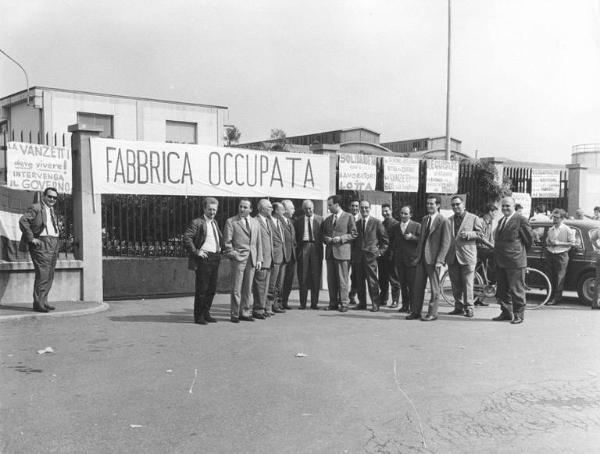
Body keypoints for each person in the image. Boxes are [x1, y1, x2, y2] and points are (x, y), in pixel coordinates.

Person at [407, 195, 451, 321]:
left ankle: (432, 313)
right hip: (422, 258)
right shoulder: (425, 219)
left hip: (434, 259)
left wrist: (440, 260)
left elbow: (446, 242)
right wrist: (417, 256)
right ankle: (416, 311)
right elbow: (421, 239)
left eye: (432, 204)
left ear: (438, 205)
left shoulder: (443, 221)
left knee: (434, 288)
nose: (429, 206)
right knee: (418, 286)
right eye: (428, 204)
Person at [19, 187, 61, 313]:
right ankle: (38, 303)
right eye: (50, 196)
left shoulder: (52, 210)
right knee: (43, 273)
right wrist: (31, 238)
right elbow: (23, 221)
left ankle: (44, 301)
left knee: (49, 273)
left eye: (54, 197)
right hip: (42, 243)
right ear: (44, 196)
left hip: (54, 243)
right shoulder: (36, 207)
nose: (52, 199)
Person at [183, 197, 223, 325]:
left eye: (214, 210)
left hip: (215, 258)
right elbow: (187, 238)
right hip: (204, 259)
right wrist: (196, 252)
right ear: (204, 209)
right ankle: (199, 316)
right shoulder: (197, 222)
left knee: (212, 289)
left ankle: (206, 313)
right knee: (202, 289)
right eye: (210, 209)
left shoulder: (214, 222)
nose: (212, 212)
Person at [493, 196, 533, 324]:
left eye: (508, 206)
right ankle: (506, 312)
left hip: (515, 261)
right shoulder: (501, 221)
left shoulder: (521, 220)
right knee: (503, 290)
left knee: (517, 290)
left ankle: (519, 315)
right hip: (501, 261)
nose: (505, 208)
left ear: (514, 206)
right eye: (503, 206)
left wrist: (519, 254)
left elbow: (528, 240)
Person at [223, 199, 263, 323]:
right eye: (240, 206)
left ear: (251, 209)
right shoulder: (231, 221)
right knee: (236, 287)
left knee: (248, 287)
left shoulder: (255, 222)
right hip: (238, 258)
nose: (242, 209)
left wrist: (259, 259)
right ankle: (235, 314)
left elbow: (258, 242)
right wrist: (232, 253)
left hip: (252, 258)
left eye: (245, 207)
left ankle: (245, 312)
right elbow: (227, 241)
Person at [445, 195, 484, 318]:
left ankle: (469, 308)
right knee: (455, 284)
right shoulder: (449, 220)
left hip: (467, 256)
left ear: (464, 205)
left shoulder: (473, 218)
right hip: (452, 256)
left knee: (467, 284)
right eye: (453, 205)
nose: (455, 206)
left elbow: (481, 234)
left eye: (458, 204)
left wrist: (469, 234)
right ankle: (458, 307)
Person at [322, 195, 357, 312]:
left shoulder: (349, 217)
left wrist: (341, 238)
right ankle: (333, 303)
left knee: (343, 279)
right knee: (331, 280)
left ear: (337, 205)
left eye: (330, 205)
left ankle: (344, 303)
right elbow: (323, 234)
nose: (328, 208)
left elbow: (353, 234)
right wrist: (326, 239)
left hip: (342, 253)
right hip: (330, 253)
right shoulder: (327, 220)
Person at [352, 200, 389, 312]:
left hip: (371, 257)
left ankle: (375, 304)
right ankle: (362, 303)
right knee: (359, 281)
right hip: (358, 257)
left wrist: (380, 252)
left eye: (366, 208)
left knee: (372, 281)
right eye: (362, 208)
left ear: (370, 208)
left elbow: (385, 240)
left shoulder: (376, 222)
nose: (364, 210)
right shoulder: (357, 223)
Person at [390, 205, 421, 313]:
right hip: (400, 260)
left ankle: (413, 307)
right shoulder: (396, 226)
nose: (403, 215)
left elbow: (422, 241)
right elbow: (392, 241)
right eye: (401, 213)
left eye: (405, 213)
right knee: (402, 284)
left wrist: (412, 238)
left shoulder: (417, 226)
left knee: (412, 285)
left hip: (412, 260)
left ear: (410, 215)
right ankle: (405, 305)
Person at [544, 208, 576, 306]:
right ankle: (549, 296)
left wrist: (559, 243)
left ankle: (556, 298)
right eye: (553, 217)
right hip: (551, 253)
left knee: (559, 277)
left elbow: (573, 243)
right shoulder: (551, 229)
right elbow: (548, 240)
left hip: (561, 254)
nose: (554, 219)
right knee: (550, 275)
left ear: (562, 219)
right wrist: (548, 242)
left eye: (557, 218)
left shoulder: (567, 229)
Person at [295, 199, 323, 310]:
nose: (308, 210)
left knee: (315, 276)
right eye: (306, 208)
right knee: (303, 276)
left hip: (316, 248)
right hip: (304, 247)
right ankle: (303, 303)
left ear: (313, 208)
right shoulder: (298, 220)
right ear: (303, 209)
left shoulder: (320, 219)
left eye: (310, 208)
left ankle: (314, 303)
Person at [252, 199, 274, 319]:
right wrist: (258, 258)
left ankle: (263, 307)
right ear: (261, 208)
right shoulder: (255, 221)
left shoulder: (267, 221)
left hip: (269, 259)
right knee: (259, 285)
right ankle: (258, 309)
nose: (271, 209)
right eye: (269, 207)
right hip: (261, 259)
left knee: (265, 286)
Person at [267, 202, 289, 314]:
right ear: (276, 210)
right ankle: (268, 306)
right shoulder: (268, 221)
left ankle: (276, 304)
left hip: (283, 256)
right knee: (272, 282)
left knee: (279, 284)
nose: (284, 212)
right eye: (282, 210)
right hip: (274, 257)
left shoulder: (280, 222)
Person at [474, 203, 498, 306]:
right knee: (497, 254)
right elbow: (481, 238)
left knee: (481, 275)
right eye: (495, 213)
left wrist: (494, 245)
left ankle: (478, 299)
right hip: (480, 249)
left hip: (486, 249)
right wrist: (492, 246)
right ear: (490, 212)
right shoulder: (480, 221)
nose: (495, 215)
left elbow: (491, 236)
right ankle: (494, 280)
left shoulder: (490, 222)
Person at [379, 203, 400, 307]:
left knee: (394, 279)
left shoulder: (396, 224)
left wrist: (393, 254)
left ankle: (395, 300)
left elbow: (397, 241)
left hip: (392, 256)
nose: (385, 213)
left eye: (387, 211)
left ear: (391, 211)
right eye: (383, 211)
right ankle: (383, 299)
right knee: (382, 279)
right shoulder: (381, 224)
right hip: (382, 256)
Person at [278, 200, 297, 310]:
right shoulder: (278, 221)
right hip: (283, 255)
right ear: (285, 210)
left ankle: (284, 301)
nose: (294, 211)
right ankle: (277, 302)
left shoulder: (291, 221)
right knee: (280, 281)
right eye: (292, 208)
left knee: (289, 280)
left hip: (292, 256)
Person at [348, 199, 361, 305]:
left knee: (355, 275)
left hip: (358, 252)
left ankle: (352, 295)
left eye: (357, 206)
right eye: (353, 206)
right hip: (346, 250)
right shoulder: (346, 218)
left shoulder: (362, 219)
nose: (354, 208)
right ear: (349, 207)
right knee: (343, 274)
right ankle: (341, 296)